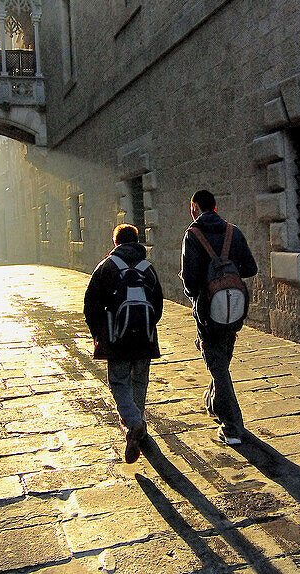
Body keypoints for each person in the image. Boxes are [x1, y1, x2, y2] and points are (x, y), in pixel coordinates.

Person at [180, 189, 258, 445]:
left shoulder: (192, 235)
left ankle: (233, 426)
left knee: (217, 365)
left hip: (207, 311)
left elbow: (190, 281)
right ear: (215, 207)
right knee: (221, 359)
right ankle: (213, 402)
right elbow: (250, 268)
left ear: (194, 207)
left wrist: (203, 289)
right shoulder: (233, 231)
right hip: (234, 309)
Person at [84, 223, 163, 463]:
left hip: (116, 339)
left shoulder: (106, 267)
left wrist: (98, 334)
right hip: (145, 339)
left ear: (115, 242)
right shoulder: (148, 269)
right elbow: (157, 305)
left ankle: (134, 422)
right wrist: (146, 325)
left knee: (119, 381)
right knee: (140, 381)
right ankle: (137, 426)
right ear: (137, 241)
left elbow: (91, 306)